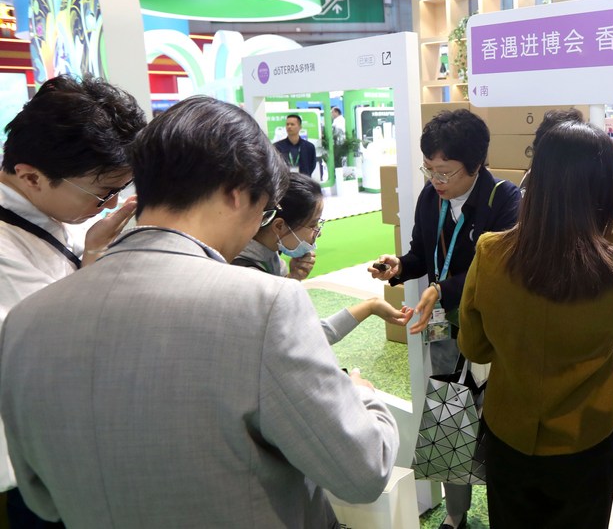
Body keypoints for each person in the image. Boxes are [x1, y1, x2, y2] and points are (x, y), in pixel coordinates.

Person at [0, 97, 399, 528]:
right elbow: (363, 472)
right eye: (263, 211)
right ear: (234, 195)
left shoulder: (26, 319)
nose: (256, 227)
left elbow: (42, 497)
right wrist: (362, 394)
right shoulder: (264, 304)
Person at [458, 121, 613, 528]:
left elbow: (474, 347)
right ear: (607, 192)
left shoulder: (491, 253)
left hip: (508, 429)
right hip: (587, 436)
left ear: (537, 184)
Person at [0, 74, 146, 528]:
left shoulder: (47, 211)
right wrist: (96, 258)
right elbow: (46, 347)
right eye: (102, 192)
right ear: (31, 176)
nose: (109, 204)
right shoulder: (5, 250)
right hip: (31, 466)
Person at [369, 108, 521, 529]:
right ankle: (455, 518)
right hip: (445, 331)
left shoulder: (504, 201)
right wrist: (399, 266)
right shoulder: (429, 197)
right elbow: (422, 255)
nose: (436, 180)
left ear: (476, 165)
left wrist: (442, 288)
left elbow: (497, 271)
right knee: (449, 422)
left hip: (494, 334)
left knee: (500, 429)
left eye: (446, 171)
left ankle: (505, 514)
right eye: (430, 169)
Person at [234, 173, 412, 340]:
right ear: (279, 226)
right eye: (313, 224)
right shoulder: (248, 278)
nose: (317, 233)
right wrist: (370, 306)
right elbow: (305, 338)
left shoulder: (270, 256)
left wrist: (293, 278)